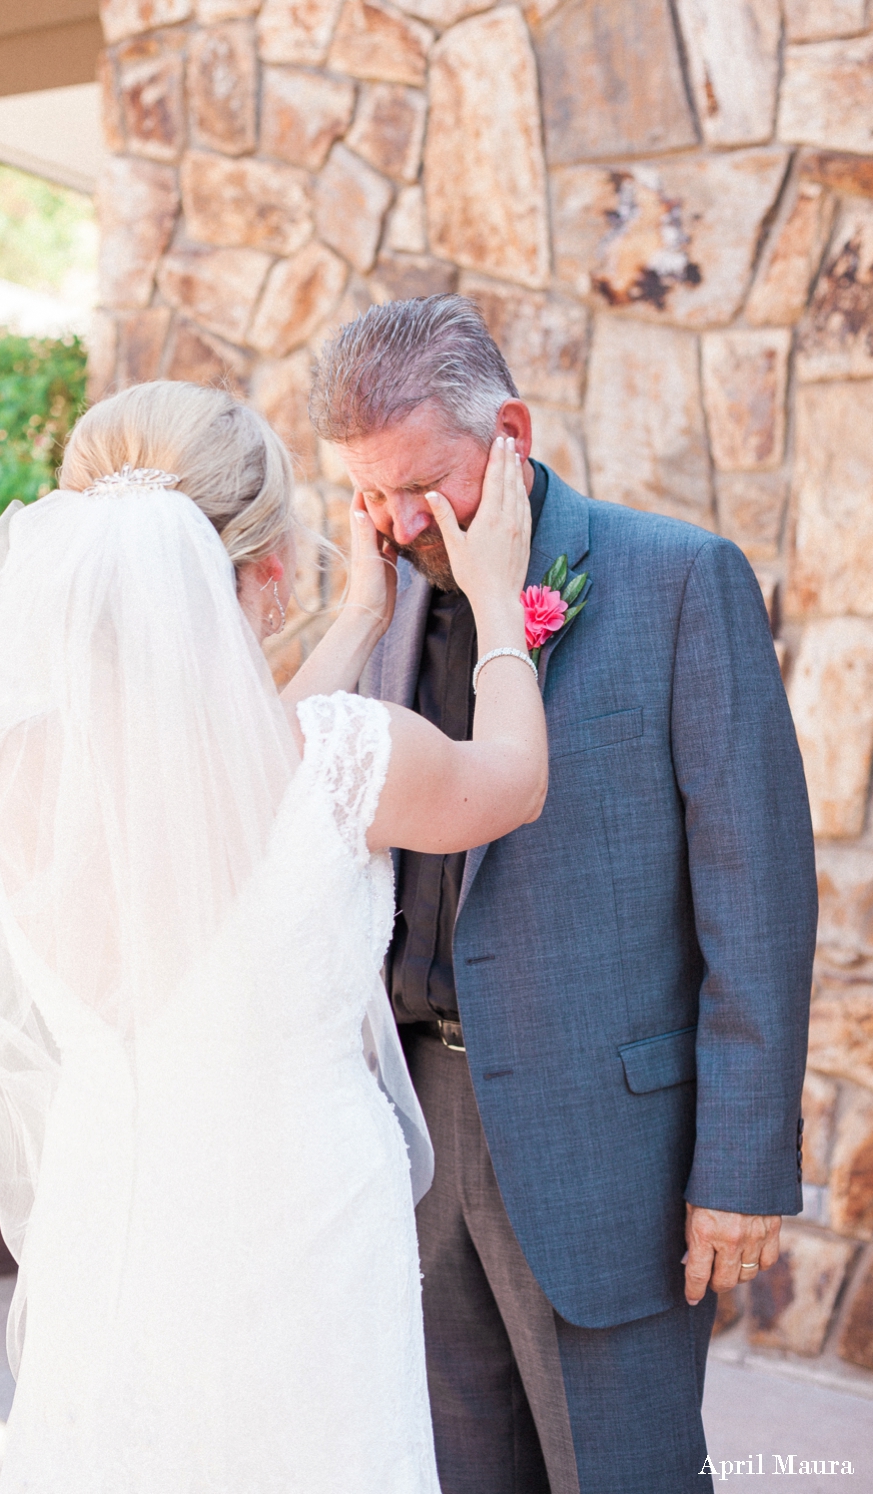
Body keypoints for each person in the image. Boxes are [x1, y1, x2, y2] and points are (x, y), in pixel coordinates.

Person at [0, 381, 547, 1493]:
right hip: (297, 1238)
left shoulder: (17, 771)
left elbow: (222, 805)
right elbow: (507, 781)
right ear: (263, 576)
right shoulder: (348, 756)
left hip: (115, 1228)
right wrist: (498, 602)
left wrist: (359, 617)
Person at [309, 295, 818, 1494]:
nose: (390, 523)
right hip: (409, 1138)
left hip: (611, 1153)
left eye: (419, 488)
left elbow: (757, 897)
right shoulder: (379, 608)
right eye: (365, 494)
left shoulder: (679, 581)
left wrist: (738, 1170)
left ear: (510, 436)